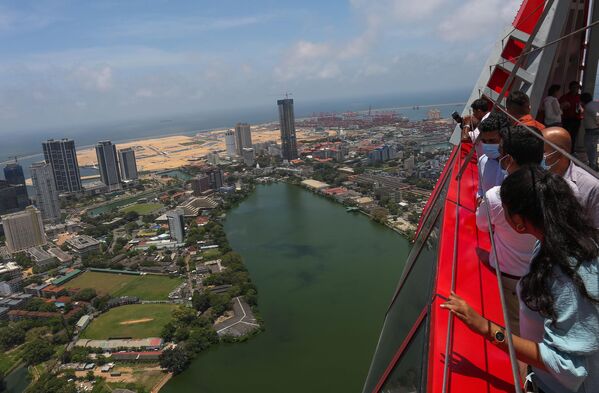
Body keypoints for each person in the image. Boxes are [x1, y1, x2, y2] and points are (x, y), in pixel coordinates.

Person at [443, 167, 599, 393]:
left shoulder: (567, 272)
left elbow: (567, 367)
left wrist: (485, 327)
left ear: (518, 221)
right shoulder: (561, 242)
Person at [476, 125, 543, 336]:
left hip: (512, 275)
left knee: (518, 330)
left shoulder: (498, 196)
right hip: (549, 271)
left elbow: (482, 225)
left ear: (509, 159)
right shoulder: (563, 188)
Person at [541, 126, 599, 227]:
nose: (538, 156)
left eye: (543, 152)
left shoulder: (591, 187)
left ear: (560, 153)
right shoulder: (537, 177)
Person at [476, 111, 507, 199]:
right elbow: (481, 189)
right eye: (484, 141)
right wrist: (479, 197)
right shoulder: (482, 160)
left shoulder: (515, 165)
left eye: (492, 141)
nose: (487, 145)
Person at [559, 81, 583, 152]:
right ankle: (564, 150)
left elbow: (584, 107)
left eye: (577, 87)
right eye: (574, 87)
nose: (575, 89)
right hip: (566, 119)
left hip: (576, 119)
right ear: (570, 88)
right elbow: (558, 107)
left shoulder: (580, 97)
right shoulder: (565, 97)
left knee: (573, 136)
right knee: (565, 135)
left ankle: (571, 151)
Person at [581, 92, 599, 171]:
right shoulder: (595, 103)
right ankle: (595, 165)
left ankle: (593, 167)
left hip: (592, 131)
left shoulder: (589, 106)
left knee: (591, 149)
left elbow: (597, 114)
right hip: (594, 130)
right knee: (596, 148)